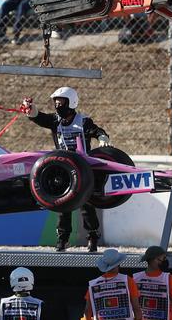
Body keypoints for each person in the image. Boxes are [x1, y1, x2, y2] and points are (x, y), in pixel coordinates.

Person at [25, 87, 110, 252]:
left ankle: (92, 237)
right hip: (62, 170)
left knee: (86, 205)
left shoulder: (83, 121)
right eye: (55, 101)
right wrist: (30, 109)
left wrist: (102, 136)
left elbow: (96, 130)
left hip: (83, 169)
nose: (57, 105)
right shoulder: (55, 121)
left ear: (71, 102)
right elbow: (39, 117)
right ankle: (62, 239)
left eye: (61, 101)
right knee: (62, 205)